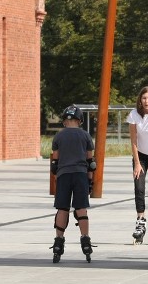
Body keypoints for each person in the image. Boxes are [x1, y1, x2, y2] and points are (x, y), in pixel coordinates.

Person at [50, 105, 96, 263]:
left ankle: (58, 243)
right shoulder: (85, 136)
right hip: (81, 175)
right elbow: (91, 162)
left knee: (62, 208)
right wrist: (90, 181)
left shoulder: (58, 137)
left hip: (64, 175)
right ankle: (85, 241)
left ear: (64, 120)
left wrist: (58, 176)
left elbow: (54, 164)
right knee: (81, 208)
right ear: (80, 120)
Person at [126, 86, 148, 243]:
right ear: (140, 100)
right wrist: (137, 163)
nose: (146, 101)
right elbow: (133, 140)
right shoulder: (134, 115)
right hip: (141, 156)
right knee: (139, 187)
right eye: (144, 98)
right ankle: (141, 221)